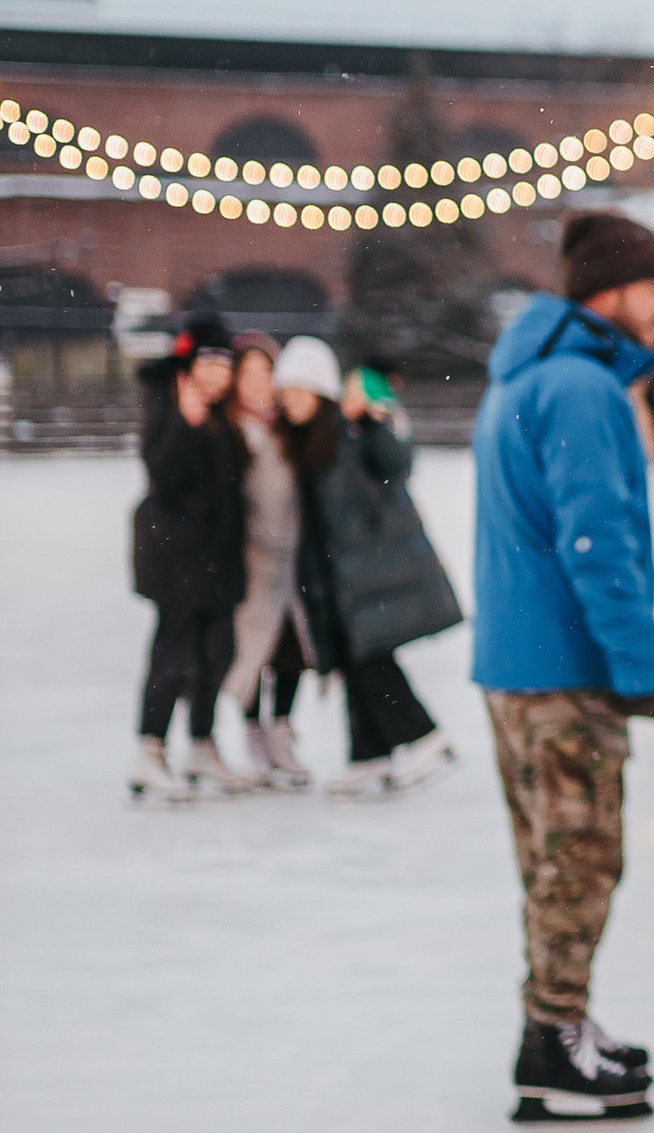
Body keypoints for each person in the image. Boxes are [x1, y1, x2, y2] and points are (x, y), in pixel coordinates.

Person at [472, 213, 654, 1123]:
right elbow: (599, 542)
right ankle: (550, 1040)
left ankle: (561, 1022)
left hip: (516, 663)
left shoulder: (523, 381)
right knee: (581, 856)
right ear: (612, 292)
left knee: (548, 856)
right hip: (566, 663)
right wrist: (637, 662)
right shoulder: (583, 390)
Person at [271, 339, 463, 799]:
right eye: (286, 391)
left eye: (301, 390)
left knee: (369, 657)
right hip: (332, 576)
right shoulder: (302, 442)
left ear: (321, 391)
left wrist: (376, 419)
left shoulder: (350, 430)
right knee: (349, 658)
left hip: (366, 572)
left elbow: (396, 462)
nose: (290, 400)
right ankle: (370, 756)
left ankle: (425, 737)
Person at [129, 305, 250, 802]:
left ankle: (201, 741)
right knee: (174, 653)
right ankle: (149, 749)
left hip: (217, 559)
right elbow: (162, 476)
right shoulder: (167, 404)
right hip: (175, 558)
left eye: (225, 367)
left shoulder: (223, 414)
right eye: (210, 365)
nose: (218, 377)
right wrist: (185, 422)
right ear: (189, 365)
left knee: (215, 652)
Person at [214, 334, 309, 785]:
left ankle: (282, 731)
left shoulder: (289, 425)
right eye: (248, 374)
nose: (257, 383)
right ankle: (253, 732)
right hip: (251, 558)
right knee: (252, 649)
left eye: (265, 372)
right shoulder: (231, 428)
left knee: (292, 648)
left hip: (295, 557)